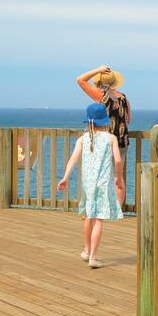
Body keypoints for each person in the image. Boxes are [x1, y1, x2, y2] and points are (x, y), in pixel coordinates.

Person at [57, 103, 124, 269]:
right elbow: (117, 160)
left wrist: (65, 177)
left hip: (87, 184)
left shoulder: (82, 139)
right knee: (99, 219)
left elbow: (73, 159)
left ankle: (86, 250)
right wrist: (119, 177)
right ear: (105, 121)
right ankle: (93, 257)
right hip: (102, 184)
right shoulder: (111, 139)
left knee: (88, 216)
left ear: (88, 122)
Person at [75, 65, 130, 204]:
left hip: (103, 141)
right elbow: (128, 119)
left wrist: (98, 69)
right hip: (121, 141)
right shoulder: (123, 97)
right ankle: (117, 209)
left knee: (96, 174)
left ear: (98, 82)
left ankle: (92, 208)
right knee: (118, 176)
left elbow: (80, 80)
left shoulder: (101, 95)